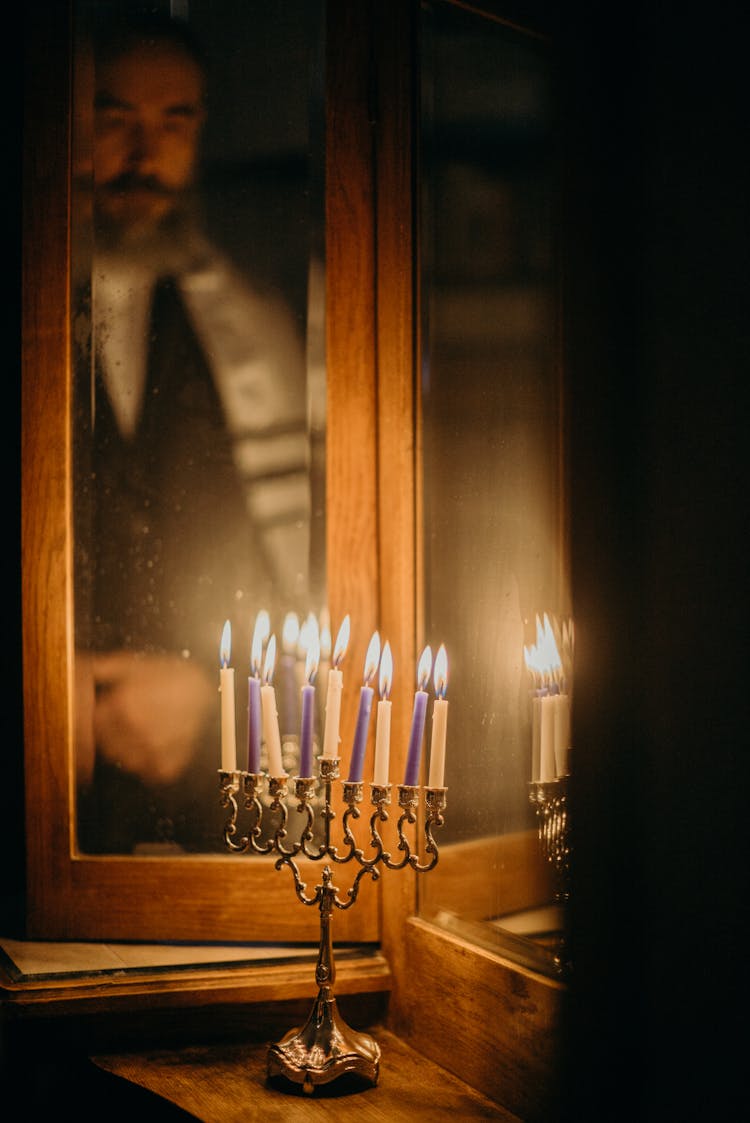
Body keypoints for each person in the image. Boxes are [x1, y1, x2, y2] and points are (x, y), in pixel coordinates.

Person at [72, 12, 314, 853]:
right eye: (114, 117)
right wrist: (45, 695)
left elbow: (292, 577)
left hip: (214, 794)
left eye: (176, 121)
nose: (147, 153)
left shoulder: (251, 329)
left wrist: (209, 700)